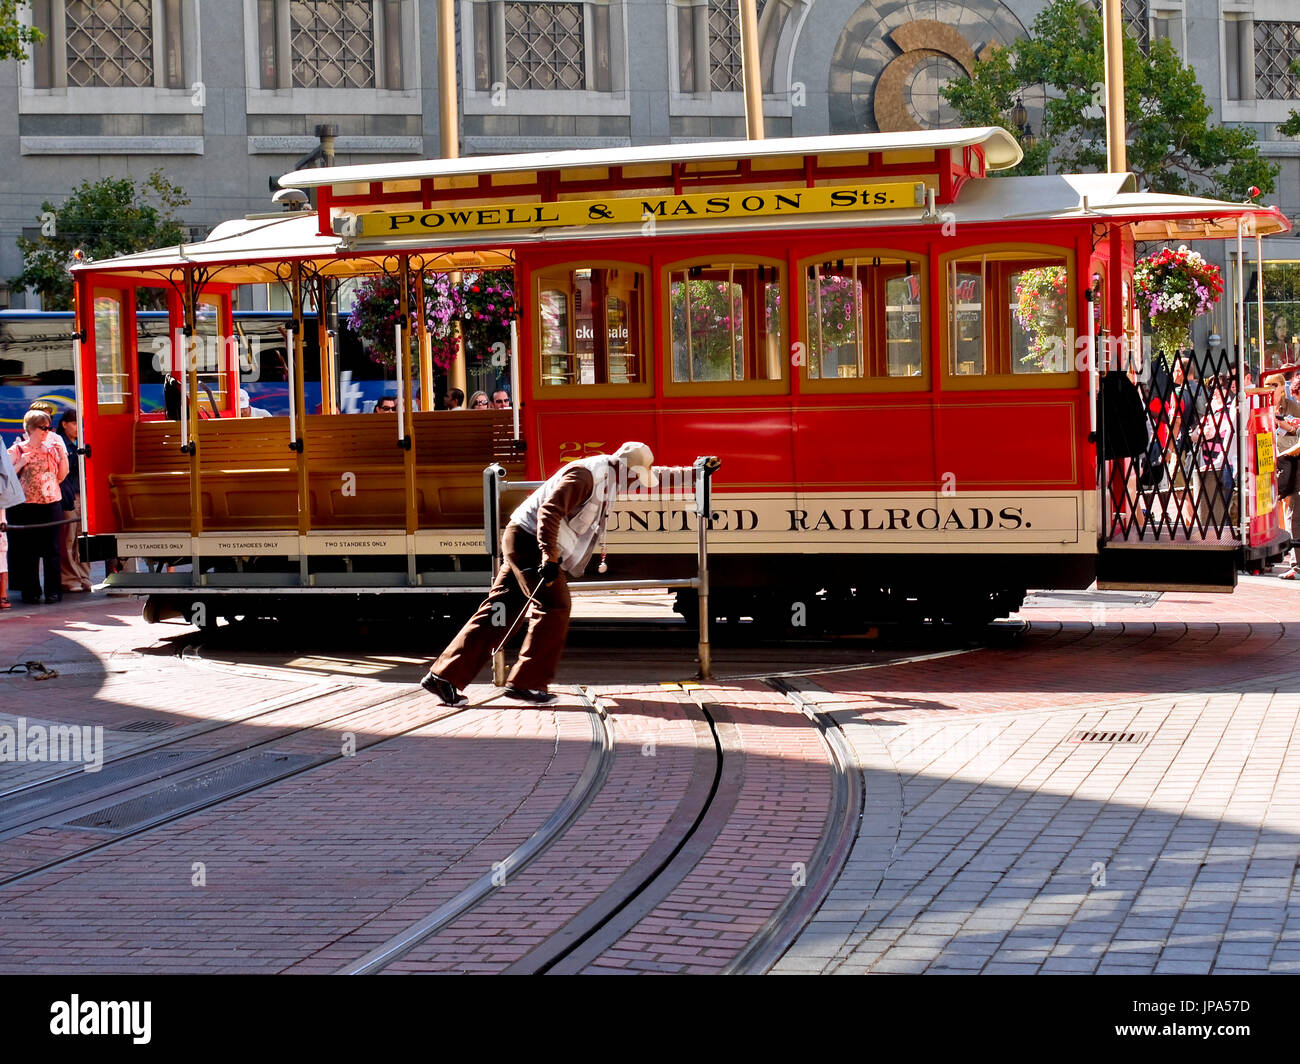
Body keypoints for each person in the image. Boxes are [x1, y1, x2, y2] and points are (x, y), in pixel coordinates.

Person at [421, 442, 659, 705]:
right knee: (555, 605)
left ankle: (443, 676)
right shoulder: (586, 476)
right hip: (529, 543)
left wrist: (697, 471)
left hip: (522, 538)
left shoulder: (605, 475)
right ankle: (526, 683)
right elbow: (549, 511)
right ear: (624, 469)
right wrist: (549, 555)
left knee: (500, 611)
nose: (635, 483)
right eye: (636, 476)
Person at [6, 408, 70, 604]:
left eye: (49, 427)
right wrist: (21, 463)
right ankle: (31, 591)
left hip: (50, 503)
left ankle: (53, 591)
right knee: (28, 551)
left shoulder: (51, 449)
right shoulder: (17, 450)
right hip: (26, 506)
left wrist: (63, 456)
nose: (47, 431)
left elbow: (61, 476)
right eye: (44, 428)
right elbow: (7, 478)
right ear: (32, 429)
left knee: (53, 550)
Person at [54, 410, 92, 593]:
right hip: (68, 496)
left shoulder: (81, 442)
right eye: (75, 424)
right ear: (64, 424)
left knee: (82, 537)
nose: (78, 429)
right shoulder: (60, 443)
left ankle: (83, 575)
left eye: (80, 425)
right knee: (68, 538)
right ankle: (69, 577)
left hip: (82, 493)